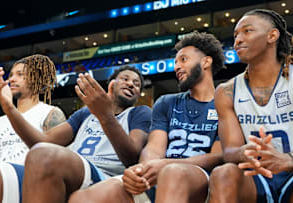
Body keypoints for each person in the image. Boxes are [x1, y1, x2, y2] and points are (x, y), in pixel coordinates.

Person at [68, 31, 224, 203]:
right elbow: (154, 148)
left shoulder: (223, 101)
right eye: (175, 62)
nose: (177, 66)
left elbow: (217, 156)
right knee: (81, 198)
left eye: (184, 60)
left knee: (173, 173)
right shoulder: (166, 102)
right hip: (161, 172)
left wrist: (164, 165)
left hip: (200, 176)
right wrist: (142, 170)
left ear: (206, 61)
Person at [209, 9, 293, 203]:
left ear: (272, 36)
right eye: (236, 35)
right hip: (254, 179)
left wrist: (287, 160)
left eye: (247, 31)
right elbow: (230, 151)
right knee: (223, 173)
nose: (237, 40)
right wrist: (244, 152)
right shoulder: (226, 91)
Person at [0, 65, 151, 203]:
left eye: (136, 84)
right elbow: (40, 142)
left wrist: (105, 116)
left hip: (107, 176)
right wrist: (8, 107)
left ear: (138, 94)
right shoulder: (85, 113)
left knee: (45, 155)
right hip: (71, 170)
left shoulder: (140, 113)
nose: (131, 84)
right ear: (111, 84)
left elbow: (133, 158)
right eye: (125, 79)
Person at [0, 54, 66, 203]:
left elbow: (58, 162)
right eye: (11, 75)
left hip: (30, 183)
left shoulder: (50, 113)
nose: (12, 79)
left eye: (20, 75)